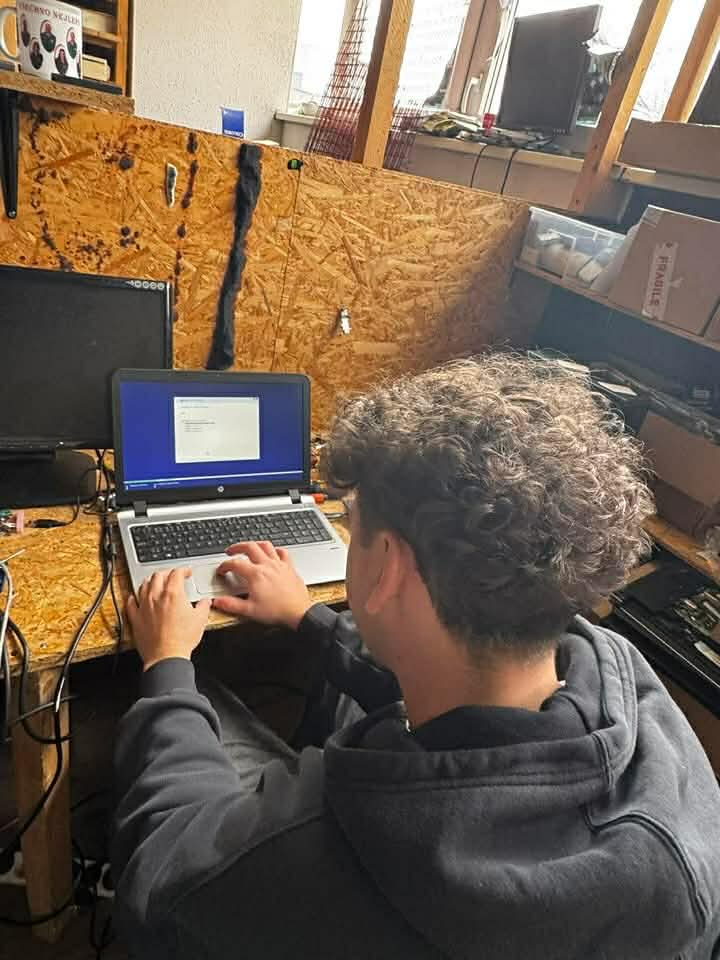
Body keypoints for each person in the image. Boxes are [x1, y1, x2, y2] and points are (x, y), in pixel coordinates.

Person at [112, 355, 720, 960]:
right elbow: (462, 683)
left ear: (389, 566)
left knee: (201, 694)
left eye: (353, 527)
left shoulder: (333, 836)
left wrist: (168, 666)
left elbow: (163, 873)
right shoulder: (623, 677)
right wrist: (308, 618)